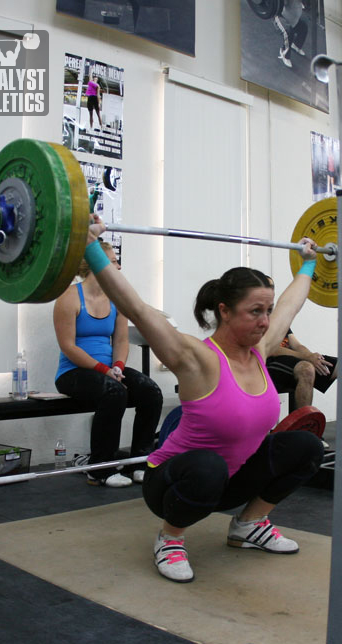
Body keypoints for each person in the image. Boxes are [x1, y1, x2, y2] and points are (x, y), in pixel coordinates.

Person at [83, 217, 324, 583]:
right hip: (170, 482)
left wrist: (309, 260)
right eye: (254, 311)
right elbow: (137, 309)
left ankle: (248, 524)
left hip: (228, 480)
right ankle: (170, 538)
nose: (265, 320)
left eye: (267, 311)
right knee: (208, 466)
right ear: (224, 310)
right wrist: (89, 246)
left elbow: (292, 303)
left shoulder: (260, 349)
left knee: (307, 446)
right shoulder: (197, 358)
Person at [53, 241, 164, 488]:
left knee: (150, 391)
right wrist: (104, 370)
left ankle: (140, 463)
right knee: (114, 392)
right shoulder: (69, 297)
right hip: (74, 372)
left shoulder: (117, 299)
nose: (119, 266)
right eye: (114, 261)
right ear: (96, 264)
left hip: (109, 371)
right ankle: (100, 469)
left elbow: (122, 339)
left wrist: (118, 366)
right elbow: (68, 347)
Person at [266, 329, 338, 412]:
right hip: (269, 362)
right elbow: (270, 349)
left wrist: (312, 357)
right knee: (306, 369)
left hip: (290, 359)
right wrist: (307, 357)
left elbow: (297, 345)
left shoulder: (280, 317)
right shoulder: (259, 319)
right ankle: (303, 423)